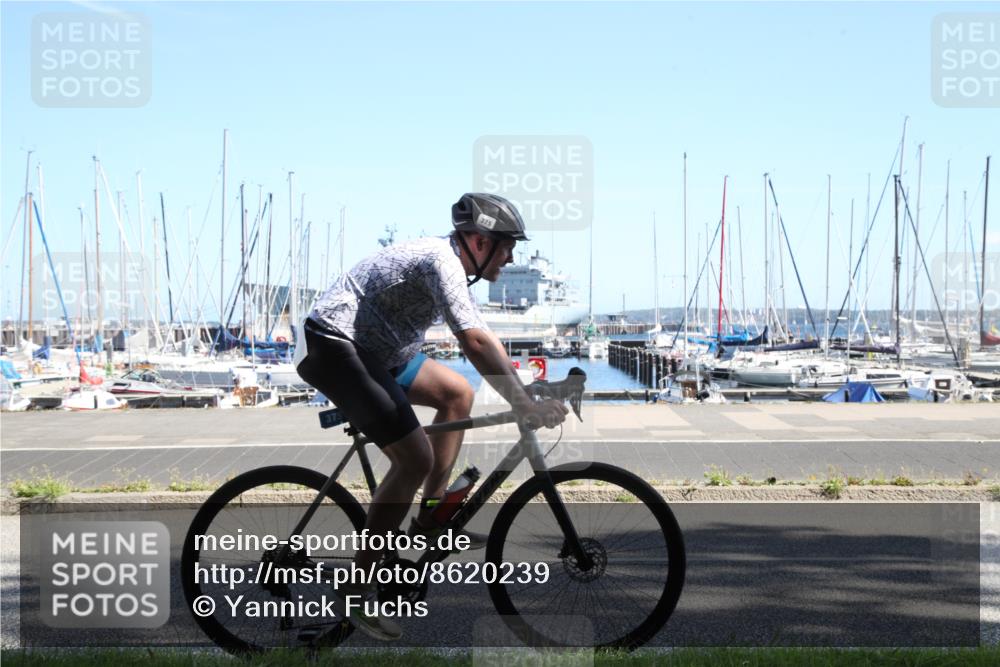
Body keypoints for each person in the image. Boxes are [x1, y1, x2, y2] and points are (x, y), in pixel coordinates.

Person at [295, 193, 568, 640]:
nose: (512, 255)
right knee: (414, 459)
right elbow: (473, 345)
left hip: (381, 353)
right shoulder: (440, 261)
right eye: (506, 245)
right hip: (335, 346)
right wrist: (523, 404)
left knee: (457, 393)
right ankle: (357, 592)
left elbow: (484, 337)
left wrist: (525, 392)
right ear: (479, 241)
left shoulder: (455, 268)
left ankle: (427, 520)